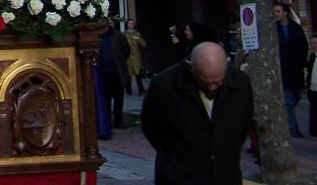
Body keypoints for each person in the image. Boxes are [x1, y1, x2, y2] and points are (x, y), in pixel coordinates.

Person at [142, 41, 253, 185]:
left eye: (218, 82)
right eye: (205, 82)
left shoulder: (240, 83)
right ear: (190, 67)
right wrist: (175, 156)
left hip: (225, 175)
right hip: (181, 176)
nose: (212, 88)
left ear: (227, 63)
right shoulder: (164, 85)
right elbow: (151, 127)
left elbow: (243, 125)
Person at [274, 1, 308, 138]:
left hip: (296, 68)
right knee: (287, 98)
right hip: (282, 68)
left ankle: (283, 115)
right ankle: (293, 127)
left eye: (278, 11)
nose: (275, 14)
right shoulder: (273, 29)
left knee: (296, 96)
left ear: (285, 13)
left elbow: (303, 45)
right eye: (274, 11)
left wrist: (302, 62)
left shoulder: (296, 28)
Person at [100, 19, 131, 129]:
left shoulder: (118, 36)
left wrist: (120, 62)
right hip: (104, 72)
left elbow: (126, 50)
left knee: (118, 98)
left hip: (117, 72)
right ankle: (107, 120)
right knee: (106, 99)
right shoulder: (99, 37)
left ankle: (118, 120)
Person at [125, 18, 148, 95]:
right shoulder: (124, 34)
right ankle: (128, 91)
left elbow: (144, 44)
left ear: (134, 25)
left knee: (138, 75)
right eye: (129, 23)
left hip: (136, 58)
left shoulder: (137, 33)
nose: (130, 25)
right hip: (128, 58)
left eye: (132, 23)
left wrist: (138, 39)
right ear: (127, 25)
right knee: (128, 75)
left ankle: (141, 90)